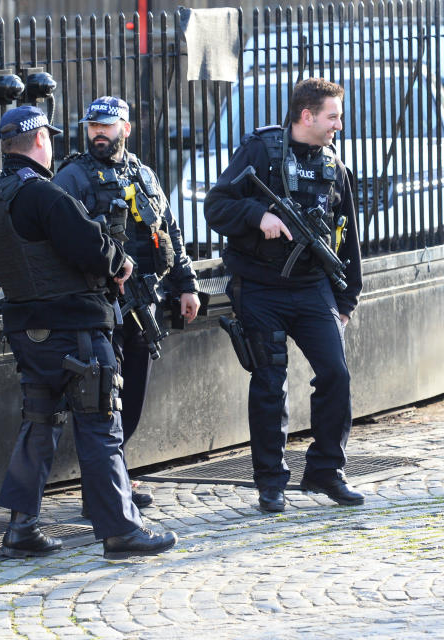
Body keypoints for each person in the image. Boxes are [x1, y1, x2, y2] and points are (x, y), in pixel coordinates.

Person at [0, 104, 178, 560]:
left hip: (29, 333)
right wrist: (121, 263)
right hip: (76, 328)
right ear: (41, 140)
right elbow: (94, 247)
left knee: (39, 422)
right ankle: (121, 530)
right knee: (101, 423)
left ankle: (21, 526)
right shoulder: (46, 196)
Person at [203, 78, 364, 513]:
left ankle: (327, 471)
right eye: (333, 116)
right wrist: (258, 216)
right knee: (270, 383)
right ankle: (270, 482)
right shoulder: (260, 150)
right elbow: (216, 206)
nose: (339, 125)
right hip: (259, 287)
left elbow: (347, 239)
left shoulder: (334, 165)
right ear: (306, 115)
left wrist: (346, 301)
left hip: (313, 289)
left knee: (336, 375)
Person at [54, 96, 200, 510]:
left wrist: (186, 285)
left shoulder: (145, 176)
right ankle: (103, 490)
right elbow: (58, 238)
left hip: (143, 304)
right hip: (97, 305)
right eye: (93, 126)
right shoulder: (73, 177)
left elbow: (169, 232)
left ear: (126, 128)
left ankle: (114, 476)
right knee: (104, 398)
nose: (99, 132)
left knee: (132, 395)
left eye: (107, 125)